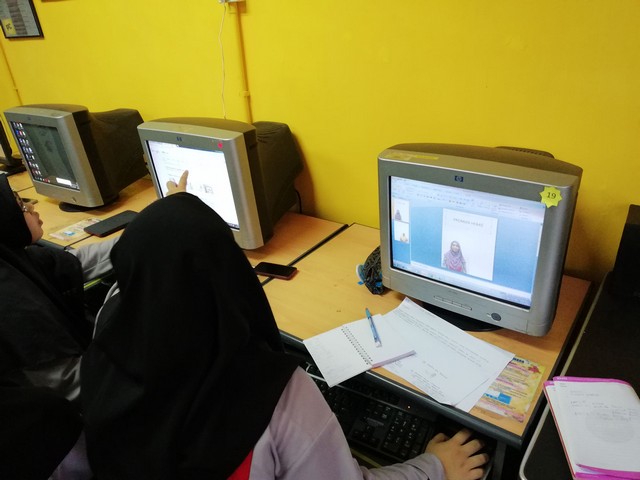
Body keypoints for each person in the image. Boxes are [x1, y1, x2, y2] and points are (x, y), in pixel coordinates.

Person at [80, 171, 488, 480]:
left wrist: (166, 219)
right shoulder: (274, 395)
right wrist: (435, 467)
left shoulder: (102, 352)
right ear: (231, 275)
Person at [0, 174, 115, 479]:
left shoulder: (13, 260)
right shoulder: (11, 305)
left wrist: (146, 232)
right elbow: (75, 387)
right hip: (63, 438)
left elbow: (74, 263)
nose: (32, 206)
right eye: (20, 205)